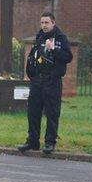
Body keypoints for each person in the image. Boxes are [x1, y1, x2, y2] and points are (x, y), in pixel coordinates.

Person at [18, 11, 73, 155]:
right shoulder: (39, 36)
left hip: (52, 81)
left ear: (53, 23)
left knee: (52, 113)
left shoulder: (60, 38)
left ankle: (50, 142)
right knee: (33, 112)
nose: (44, 25)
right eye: (42, 22)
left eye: (46, 22)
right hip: (38, 81)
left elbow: (68, 57)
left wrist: (53, 49)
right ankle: (32, 141)